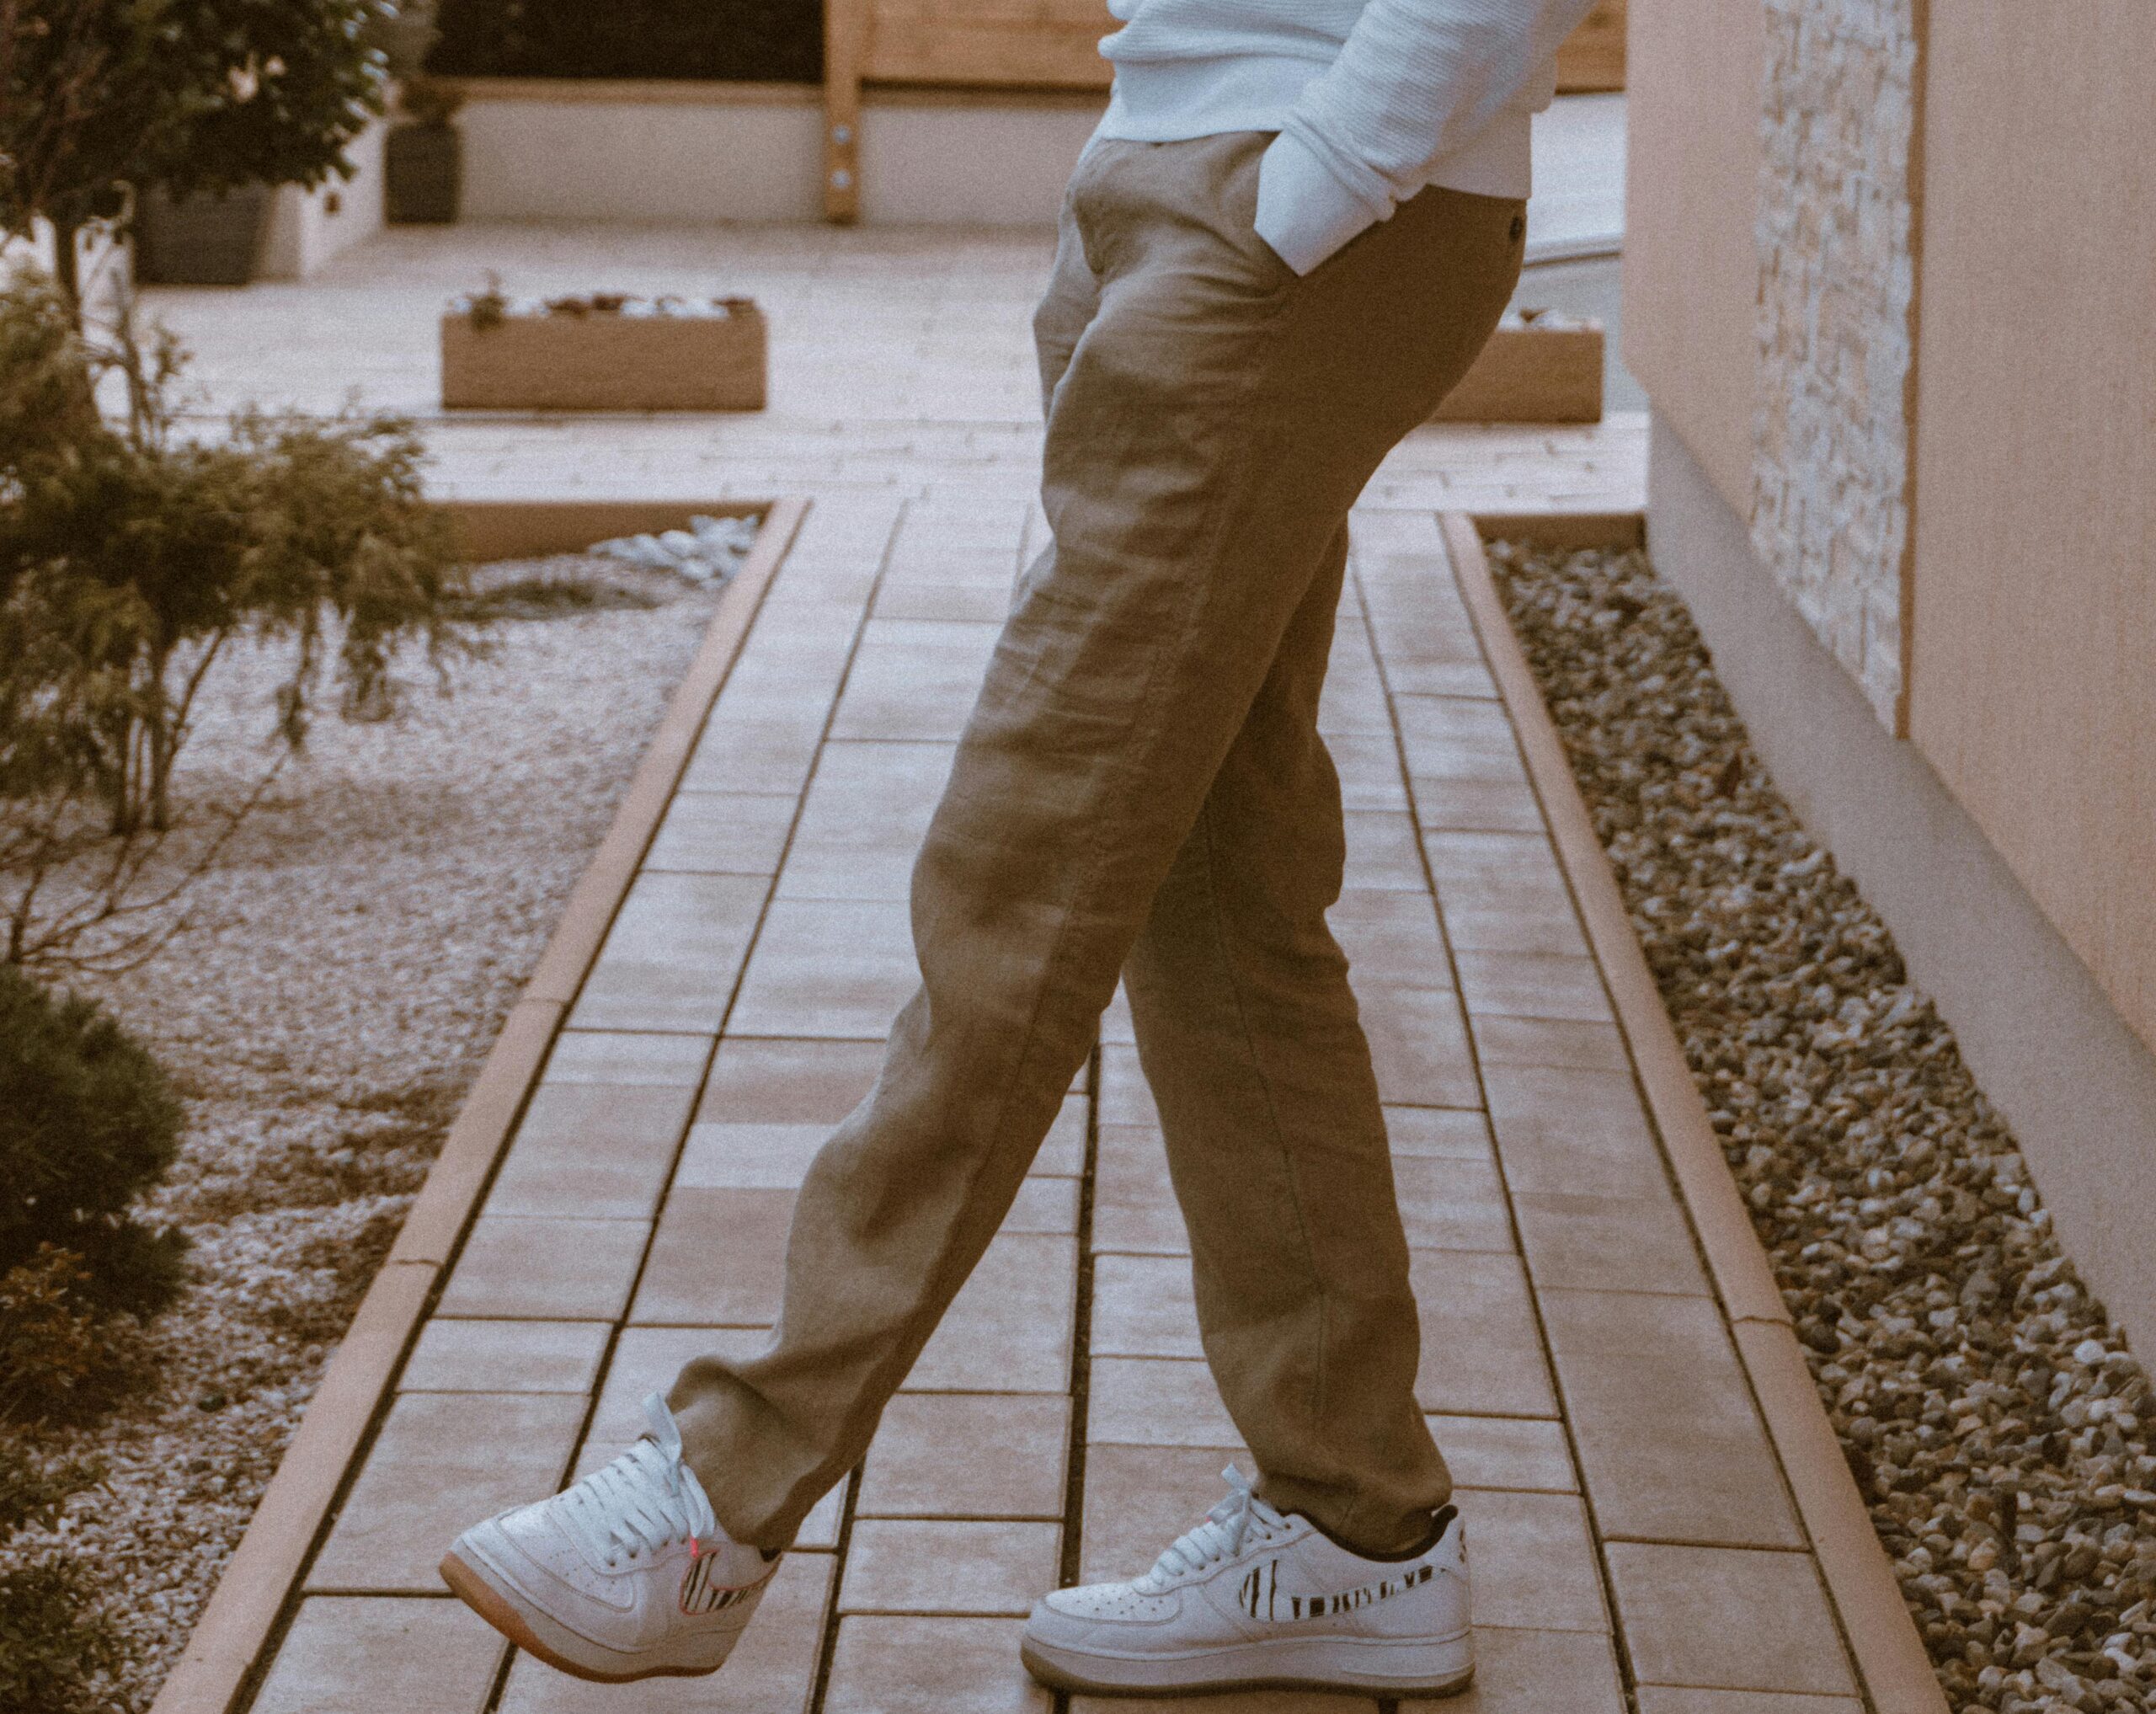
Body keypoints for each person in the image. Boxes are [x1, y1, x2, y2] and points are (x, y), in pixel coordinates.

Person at [440, 0, 1598, 1696]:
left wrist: (1325, 177)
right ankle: (1356, 1521)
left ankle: (721, 1489)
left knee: (1024, 859)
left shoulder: (1318, 191)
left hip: (1301, 207)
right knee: (1214, 889)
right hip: (1182, 179)